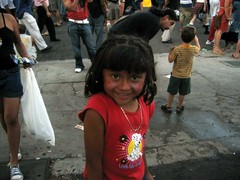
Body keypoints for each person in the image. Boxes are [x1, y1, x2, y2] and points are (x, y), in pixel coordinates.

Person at [78, 35, 157, 179]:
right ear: (102, 74)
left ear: (147, 76)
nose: (124, 87)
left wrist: (146, 172)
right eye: (115, 76)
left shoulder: (147, 103)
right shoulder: (96, 112)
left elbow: (140, 145)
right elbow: (93, 162)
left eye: (134, 77)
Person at [0, 12, 33, 180]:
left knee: (11, 117)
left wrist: (27, 58)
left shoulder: (8, 18)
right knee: (3, 116)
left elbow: (18, 42)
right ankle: (14, 146)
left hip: (10, 73)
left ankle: (14, 164)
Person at [161, 25, 200, 114]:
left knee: (172, 92)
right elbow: (199, 49)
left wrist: (170, 52)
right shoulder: (193, 49)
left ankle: (169, 106)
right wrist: (197, 41)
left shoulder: (177, 49)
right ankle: (179, 107)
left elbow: (170, 60)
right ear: (193, 38)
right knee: (183, 93)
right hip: (186, 76)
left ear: (181, 36)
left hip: (175, 75)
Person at [108, 6, 178, 43]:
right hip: (117, 37)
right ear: (166, 17)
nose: (169, 27)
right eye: (171, 23)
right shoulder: (155, 23)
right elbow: (143, 43)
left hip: (116, 33)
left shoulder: (153, 18)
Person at [63, 0, 96, 73]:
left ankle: (95, 64)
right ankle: (79, 65)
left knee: (90, 46)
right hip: (73, 23)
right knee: (76, 46)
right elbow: (72, 8)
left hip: (84, 22)